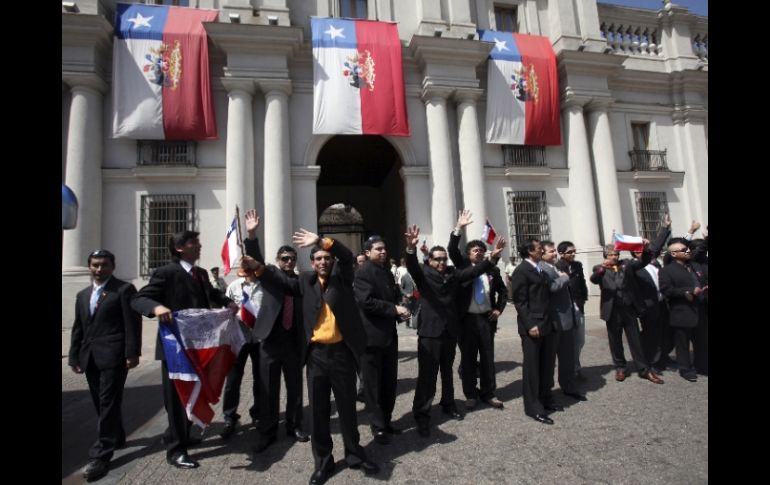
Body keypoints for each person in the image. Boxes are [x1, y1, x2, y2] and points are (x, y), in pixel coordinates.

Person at [254, 229, 379, 485]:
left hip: (342, 353)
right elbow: (278, 281)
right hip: (316, 356)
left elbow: (346, 256)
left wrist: (322, 241)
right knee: (319, 413)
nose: (323, 262)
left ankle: (355, 454)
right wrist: (254, 251)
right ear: (311, 263)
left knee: (347, 409)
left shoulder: (342, 277)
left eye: (326, 258)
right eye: (318, 258)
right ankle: (323, 462)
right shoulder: (304, 282)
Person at [131, 231, 237, 469]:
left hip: (197, 346)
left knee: (193, 392)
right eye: (194, 243)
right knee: (177, 398)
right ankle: (176, 450)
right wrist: (157, 307)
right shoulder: (166, 273)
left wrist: (226, 301)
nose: (199, 247)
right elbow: (139, 299)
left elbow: (210, 294)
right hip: (175, 349)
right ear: (179, 248)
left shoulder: (199, 274)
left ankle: (184, 435)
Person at [404, 222, 504, 437]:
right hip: (430, 333)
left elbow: (475, 270)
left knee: (447, 372)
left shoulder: (453, 274)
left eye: (443, 259)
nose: (440, 262)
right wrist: (411, 248)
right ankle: (422, 414)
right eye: (436, 259)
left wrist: (492, 258)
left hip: (450, 331)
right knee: (427, 376)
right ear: (430, 261)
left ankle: (448, 404)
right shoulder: (423, 275)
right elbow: (411, 264)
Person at [69, 249, 142, 481]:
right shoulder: (82, 294)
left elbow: (133, 324)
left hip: (114, 356)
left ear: (113, 266)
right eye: (95, 265)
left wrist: (132, 353)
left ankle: (101, 455)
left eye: (104, 265)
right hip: (89, 357)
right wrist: (74, 356)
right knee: (100, 402)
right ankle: (117, 436)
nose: (99, 269)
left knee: (108, 402)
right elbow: (78, 327)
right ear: (89, 266)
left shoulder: (123, 290)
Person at [241, 209, 309, 450]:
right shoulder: (268, 276)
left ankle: (294, 424)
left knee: (295, 388)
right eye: (284, 259)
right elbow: (255, 259)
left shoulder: (301, 281)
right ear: (278, 261)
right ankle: (267, 431)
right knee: (268, 389)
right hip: (269, 342)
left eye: (292, 258)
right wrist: (251, 234)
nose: (289, 262)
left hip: (292, 343)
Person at [448, 210, 507, 410]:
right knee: (468, 358)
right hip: (467, 320)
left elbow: (503, 292)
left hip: (486, 319)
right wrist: (459, 228)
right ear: (468, 254)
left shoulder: (492, 269)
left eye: (481, 250)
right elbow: (452, 249)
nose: (479, 252)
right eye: (475, 250)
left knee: (488, 358)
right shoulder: (462, 267)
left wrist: (499, 309)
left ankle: (489, 393)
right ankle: (470, 394)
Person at [353, 236, 410, 445]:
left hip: (388, 337)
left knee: (388, 383)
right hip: (370, 339)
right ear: (367, 252)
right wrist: (394, 309)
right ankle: (377, 427)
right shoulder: (363, 273)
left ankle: (386, 421)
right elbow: (366, 302)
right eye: (378, 249)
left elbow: (390, 299)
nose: (383, 252)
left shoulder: (386, 272)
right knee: (372, 386)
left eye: (384, 248)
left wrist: (398, 312)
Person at [590, 239, 664, 385]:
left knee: (635, 339)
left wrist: (646, 247)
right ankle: (620, 367)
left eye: (616, 254)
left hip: (629, 308)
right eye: (611, 254)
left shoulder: (627, 264)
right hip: (612, 310)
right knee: (615, 340)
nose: (614, 257)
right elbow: (594, 279)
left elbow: (643, 261)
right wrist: (602, 269)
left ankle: (644, 369)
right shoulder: (599, 267)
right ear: (605, 256)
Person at [510, 239, 560, 425]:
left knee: (546, 365)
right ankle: (533, 407)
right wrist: (530, 324)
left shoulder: (540, 268)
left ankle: (546, 399)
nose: (542, 251)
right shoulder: (522, 271)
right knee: (532, 368)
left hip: (547, 323)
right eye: (539, 249)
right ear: (530, 251)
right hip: (532, 326)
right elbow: (520, 301)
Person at [219, 255, 262, 440]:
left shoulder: (265, 286)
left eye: (250, 264)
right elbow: (225, 311)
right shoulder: (234, 286)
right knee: (233, 380)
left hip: (260, 339)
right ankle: (230, 416)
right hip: (238, 339)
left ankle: (259, 413)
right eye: (244, 265)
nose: (247, 268)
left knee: (261, 379)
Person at [539, 241, 586, 402]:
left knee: (568, 356)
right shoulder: (542, 268)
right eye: (551, 251)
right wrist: (564, 278)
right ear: (542, 253)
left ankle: (569, 386)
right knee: (550, 359)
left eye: (554, 251)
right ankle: (547, 391)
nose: (554, 254)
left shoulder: (555, 267)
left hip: (566, 318)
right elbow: (550, 288)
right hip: (554, 320)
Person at [659, 238, 706, 382]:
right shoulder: (667, 271)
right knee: (683, 344)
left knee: (702, 341)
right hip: (682, 311)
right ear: (673, 254)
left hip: (700, 309)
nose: (688, 251)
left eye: (687, 249)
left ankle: (702, 365)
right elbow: (667, 290)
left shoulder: (694, 265)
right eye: (683, 250)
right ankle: (686, 369)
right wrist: (688, 292)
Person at [555, 241, 588, 379]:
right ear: (561, 253)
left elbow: (582, 283)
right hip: (564, 309)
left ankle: (575, 365)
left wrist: (583, 299)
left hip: (578, 306)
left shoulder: (577, 265)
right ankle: (572, 369)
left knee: (580, 340)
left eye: (574, 251)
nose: (573, 254)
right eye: (570, 252)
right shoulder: (556, 266)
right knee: (568, 341)